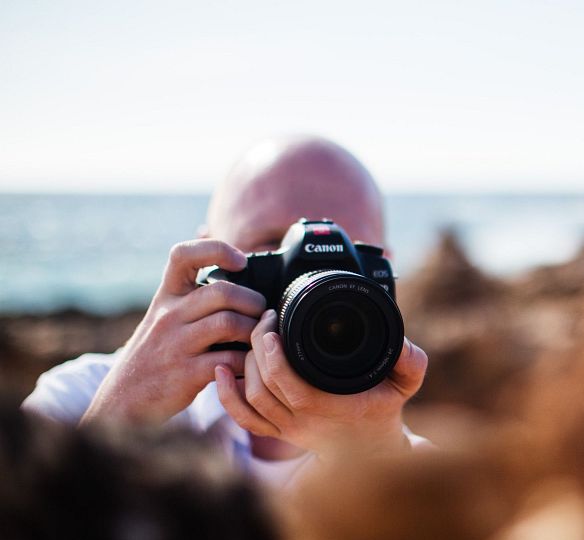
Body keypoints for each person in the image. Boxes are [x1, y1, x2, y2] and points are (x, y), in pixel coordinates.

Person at [22, 137, 430, 485]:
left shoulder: (422, 474)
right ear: (205, 258)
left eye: (343, 255)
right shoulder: (74, 402)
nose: (313, 279)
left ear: (382, 274)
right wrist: (121, 415)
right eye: (273, 247)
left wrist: (375, 456)